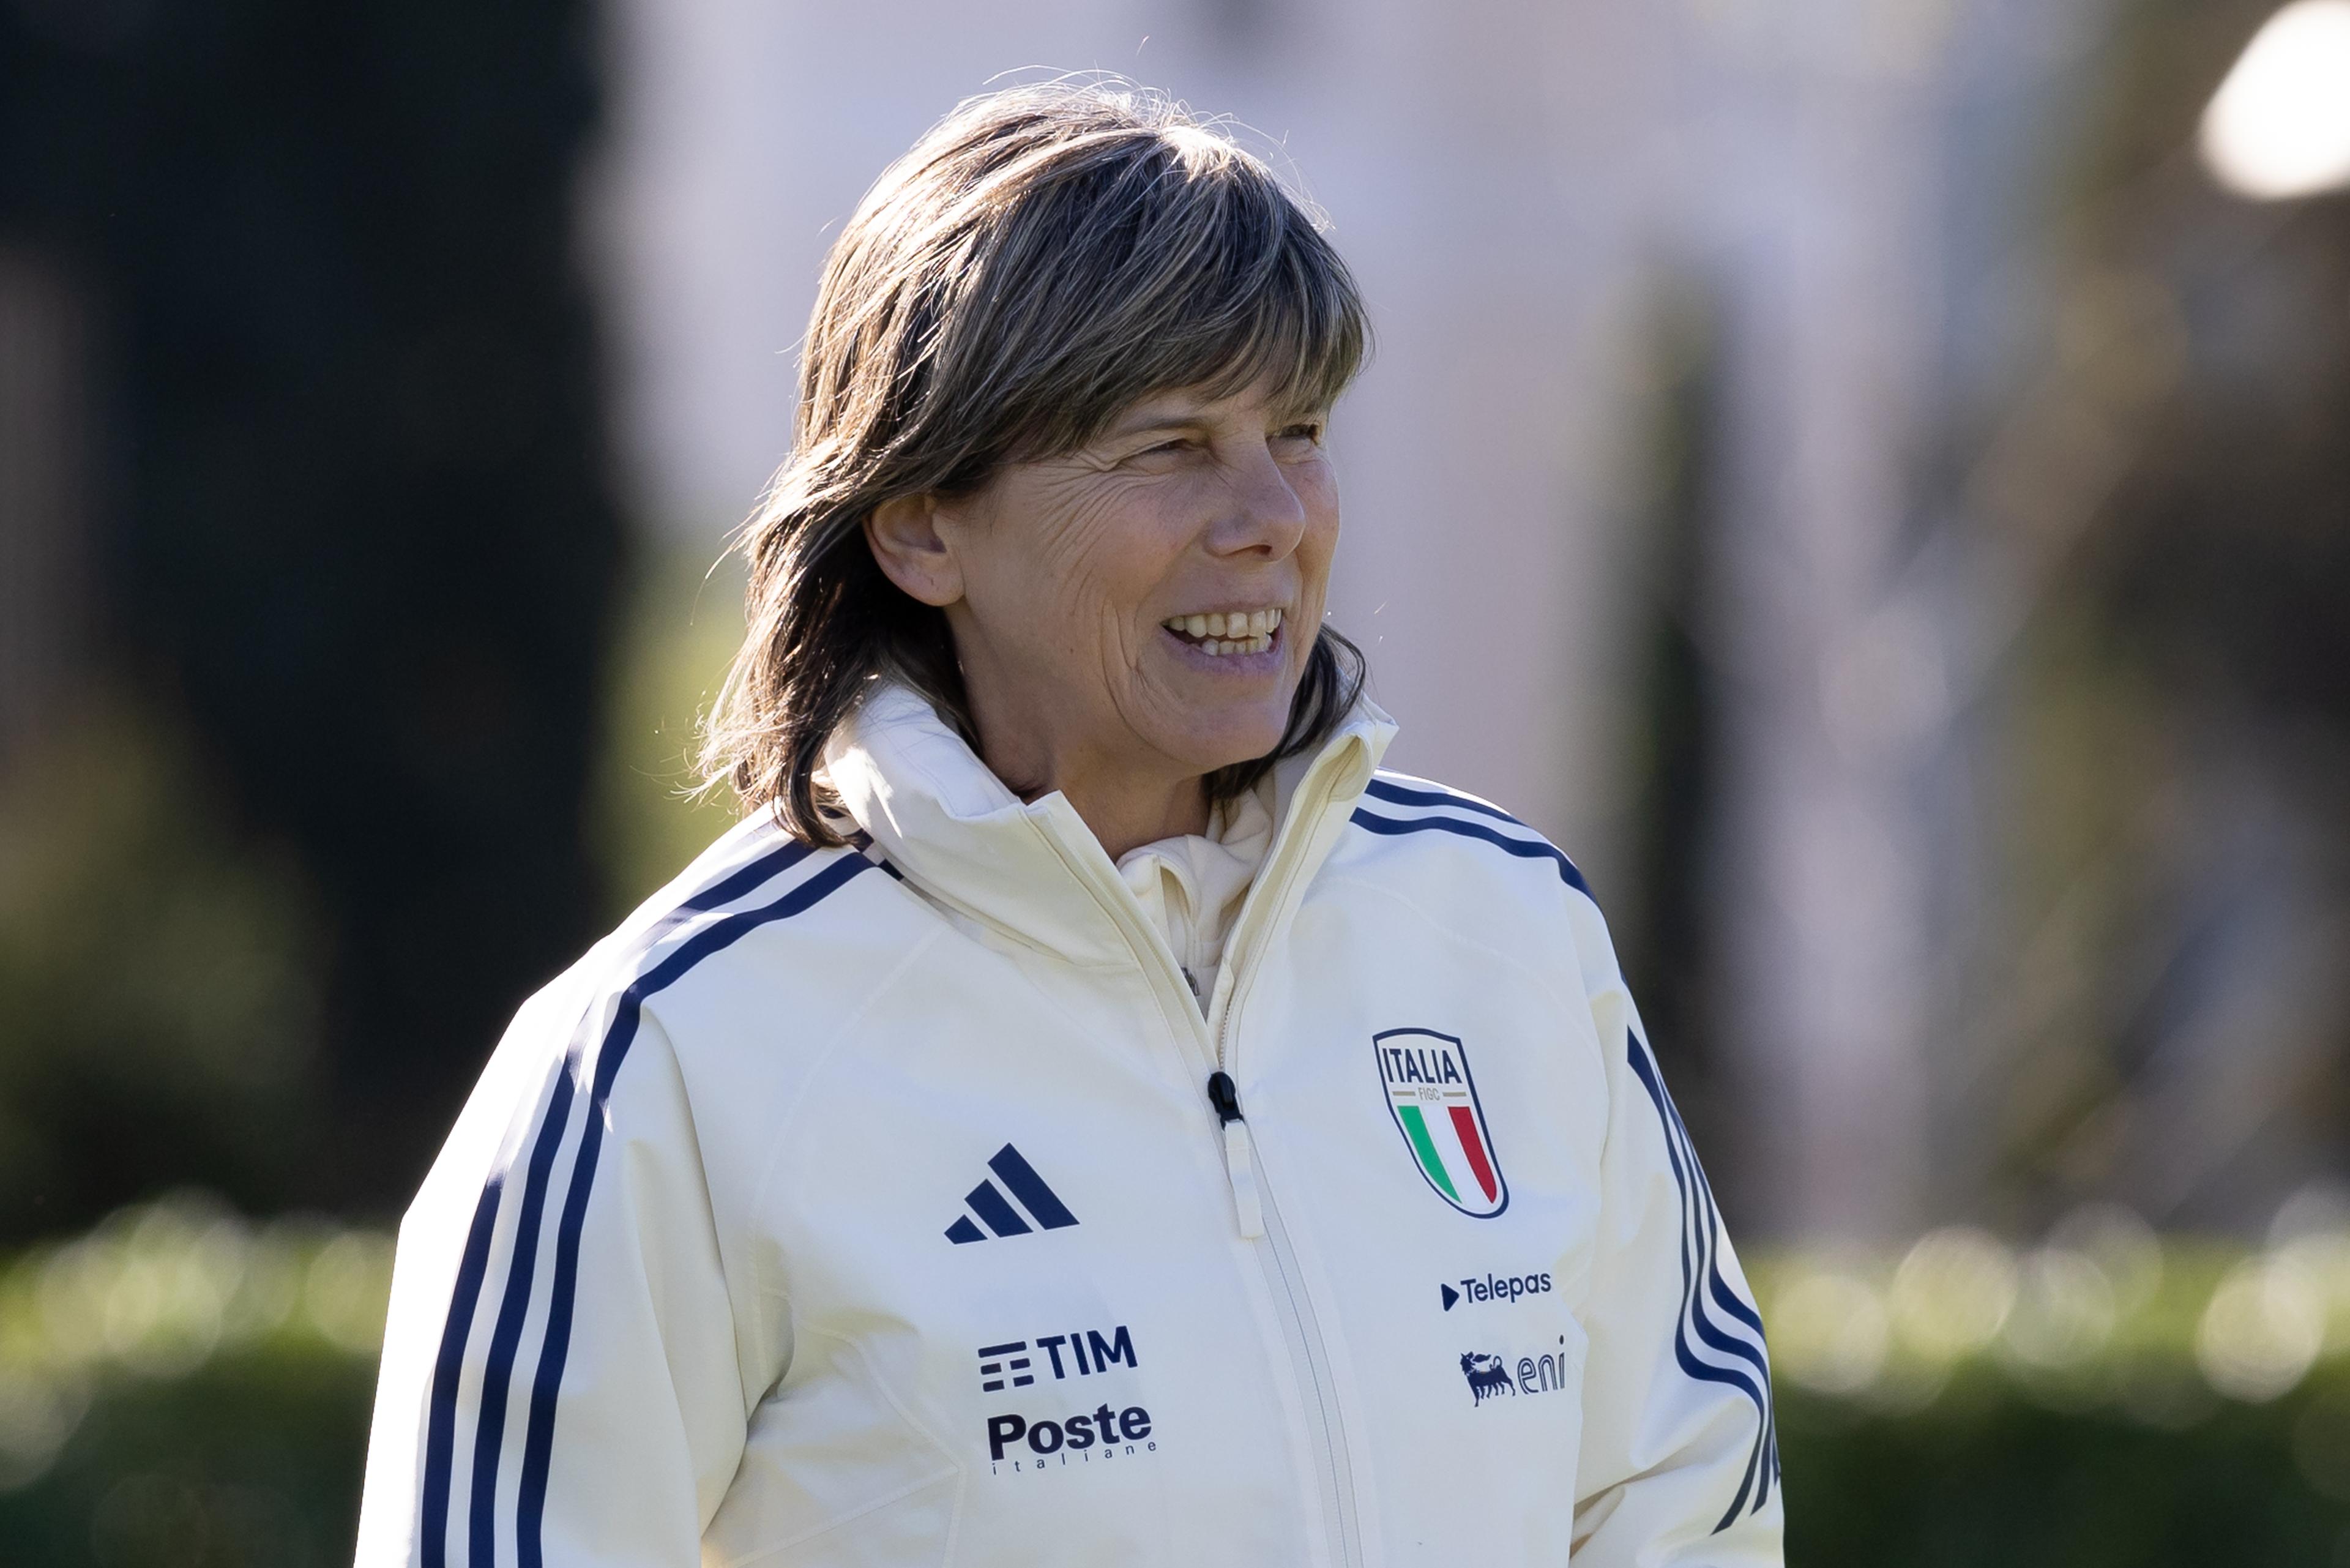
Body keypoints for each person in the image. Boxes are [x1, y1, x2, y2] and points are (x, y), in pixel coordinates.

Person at [356, 80, 1781, 1568]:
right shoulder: (664, 1060)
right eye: (1167, 445)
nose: (1272, 516)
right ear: (919, 524)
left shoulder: (1510, 939)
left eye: (1295, 429)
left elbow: (1687, 1508)